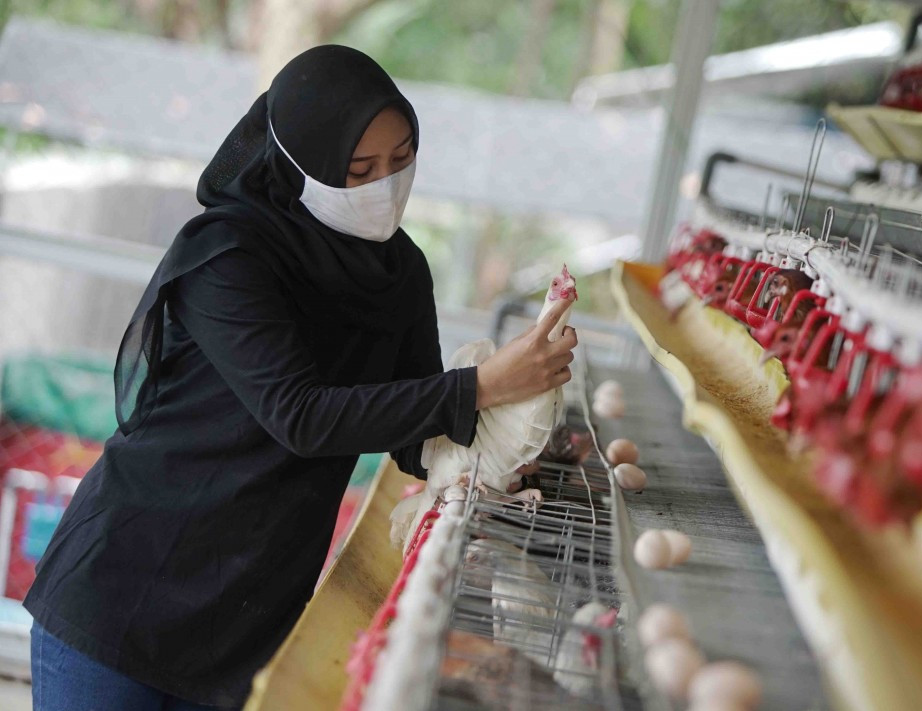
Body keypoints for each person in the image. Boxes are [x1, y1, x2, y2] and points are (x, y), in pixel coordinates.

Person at [22, 45, 577, 711]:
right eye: (358, 169)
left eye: (401, 159)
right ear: (300, 165)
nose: (386, 185)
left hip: (245, 612)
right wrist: (485, 385)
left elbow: (414, 432)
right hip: (130, 584)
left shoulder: (398, 272)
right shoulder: (228, 255)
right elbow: (299, 415)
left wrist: (510, 453)